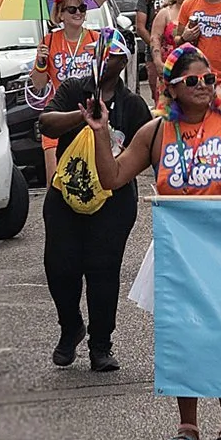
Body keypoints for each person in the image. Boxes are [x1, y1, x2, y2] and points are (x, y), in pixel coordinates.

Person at [85, 43, 221, 440]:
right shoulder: (154, 132)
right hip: (179, 248)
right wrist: (100, 132)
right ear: (172, 88)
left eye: (209, 79)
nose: (205, 87)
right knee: (184, 333)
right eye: (193, 81)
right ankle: (187, 424)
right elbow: (112, 177)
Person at [36, 54, 154, 374]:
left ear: (125, 61)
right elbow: (46, 122)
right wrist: (81, 117)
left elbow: (148, 149)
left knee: (102, 271)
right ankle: (70, 327)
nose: (106, 61)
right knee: (60, 268)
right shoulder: (75, 89)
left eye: (115, 55)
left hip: (113, 201)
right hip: (66, 194)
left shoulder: (132, 105)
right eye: (101, 54)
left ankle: (101, 345)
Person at [29, 0, 111, 179]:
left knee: (89, 181)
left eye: (82, 8)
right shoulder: (48, 41)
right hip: (58, 115)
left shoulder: (96, 39)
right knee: (56, 181)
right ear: (60, 14)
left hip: (89, 115)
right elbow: (39, 85)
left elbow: (108, 79)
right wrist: (41, 63)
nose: (78, 13)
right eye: (72, 9)